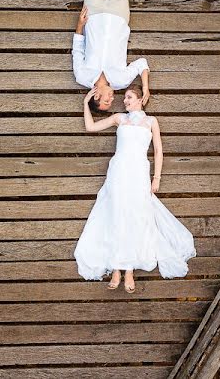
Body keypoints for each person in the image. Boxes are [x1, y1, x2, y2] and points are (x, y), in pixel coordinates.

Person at [73, 84, 196, 293]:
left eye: (129, 98)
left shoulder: (151, 121)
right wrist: (86, 103)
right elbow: (90, 127)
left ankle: (128, 269)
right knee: (117, 215)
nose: (125, 101)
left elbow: (158, 150)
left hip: (139, 173)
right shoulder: (119, 118)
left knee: (135, 216)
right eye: (125, 98)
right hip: (118, 172)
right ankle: (115, 268)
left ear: (140, 99)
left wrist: (156, 177)